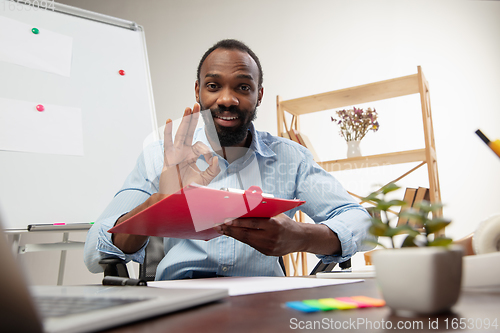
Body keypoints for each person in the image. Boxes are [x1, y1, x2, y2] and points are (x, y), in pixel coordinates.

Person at [84, 39, 373, 280]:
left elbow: (360, 221)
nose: (227, 99)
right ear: (198, 91)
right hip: (178, 304)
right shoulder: (159, 155)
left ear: (259, 96)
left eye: (243, 88)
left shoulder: (289, 157)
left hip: (264, 306)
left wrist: (302, 236)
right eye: (213, 86)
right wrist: (160, 204)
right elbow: (94, 252)